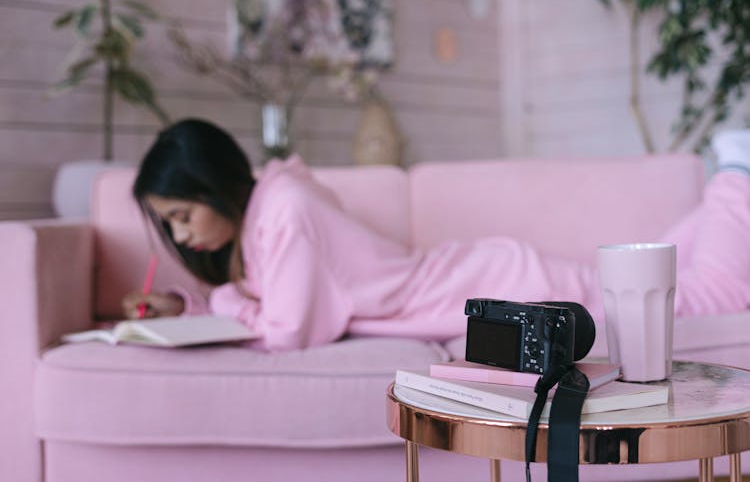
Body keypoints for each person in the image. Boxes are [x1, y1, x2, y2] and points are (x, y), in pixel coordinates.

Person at [122, 119, 750, 351]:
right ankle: (732, 188)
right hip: (490, 277)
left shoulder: (283, 209)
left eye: (182, 215)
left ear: (213, 185)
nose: (182, 235)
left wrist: (223, 301)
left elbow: (286, 330)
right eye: (170, 224)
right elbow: (266, 297)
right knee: (661, 284)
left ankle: (736, 173)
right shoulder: (263, 220)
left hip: (506, 287)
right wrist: (185, 304)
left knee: (703, 300)